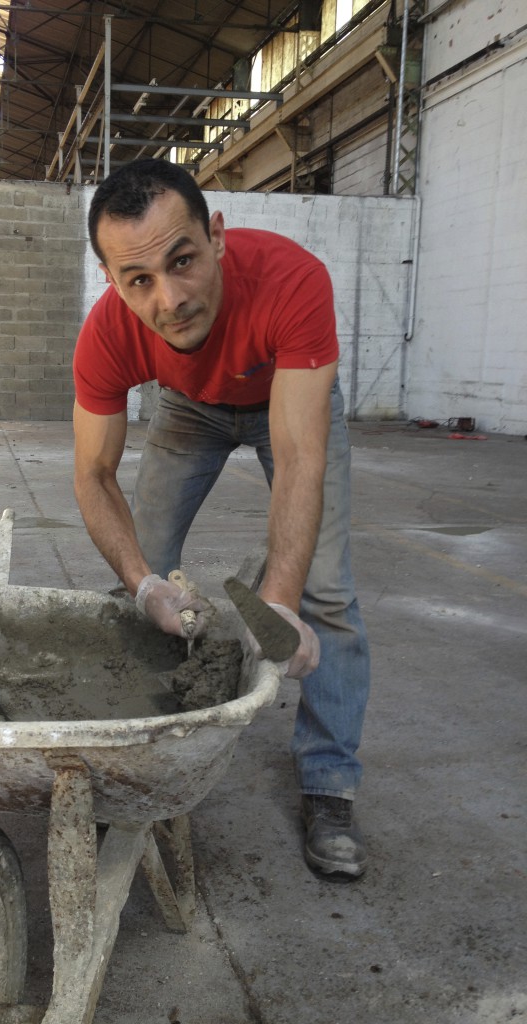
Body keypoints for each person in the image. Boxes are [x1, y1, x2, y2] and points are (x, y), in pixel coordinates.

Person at [72, 158, 370, 878]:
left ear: (218, 237)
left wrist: (281, 603)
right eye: (139, 280)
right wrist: (145, 582)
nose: (170, 299)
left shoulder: (293, 280)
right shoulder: (108, 332)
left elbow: (300, 459)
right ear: (112, 282)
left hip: (285, 401)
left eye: (184, 261)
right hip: (188, 408)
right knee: (131, 579)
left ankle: (328, 781)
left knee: (325, 593)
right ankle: (134, 748)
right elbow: (93, 473)